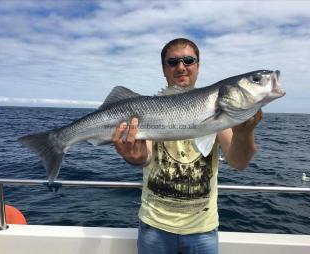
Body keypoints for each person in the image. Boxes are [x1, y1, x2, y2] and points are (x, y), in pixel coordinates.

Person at [112, 38, 262, 254]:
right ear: (164, 69)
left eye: (188, 60)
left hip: (203, 229)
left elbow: (238, 162)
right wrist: (133, 155)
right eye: (172, 62)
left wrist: (245, 132)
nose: (181, 67)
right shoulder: (151, 108)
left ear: (198, 66)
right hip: (154, 226)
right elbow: (144, 157)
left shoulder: (217, 108)